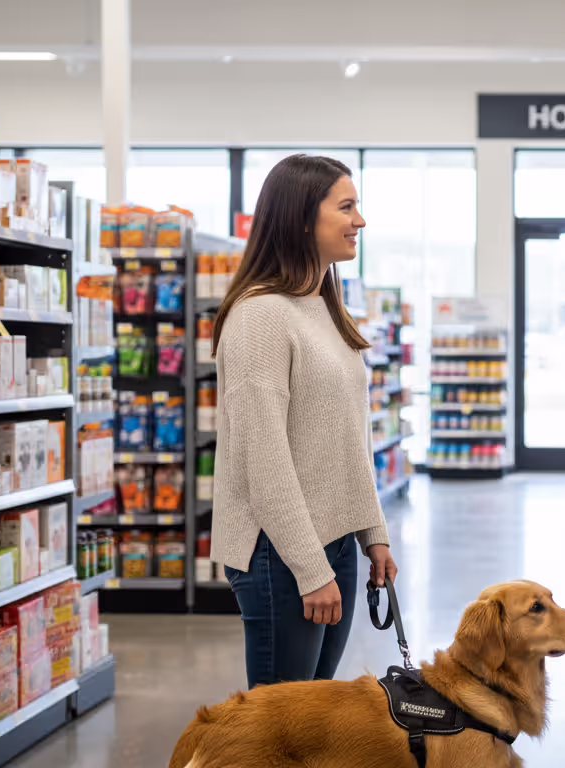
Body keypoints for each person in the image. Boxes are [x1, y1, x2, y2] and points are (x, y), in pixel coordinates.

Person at [211, 154, 398, 689]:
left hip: (333, 542)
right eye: (346, 206)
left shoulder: (322, 306)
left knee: (312, 723)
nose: (359, 220)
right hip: (280, 554)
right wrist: (309, 569)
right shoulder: (260, 316)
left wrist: (373, 534)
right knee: (280, 733)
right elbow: (263, 458)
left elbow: (345, 440)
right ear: (300, 220)